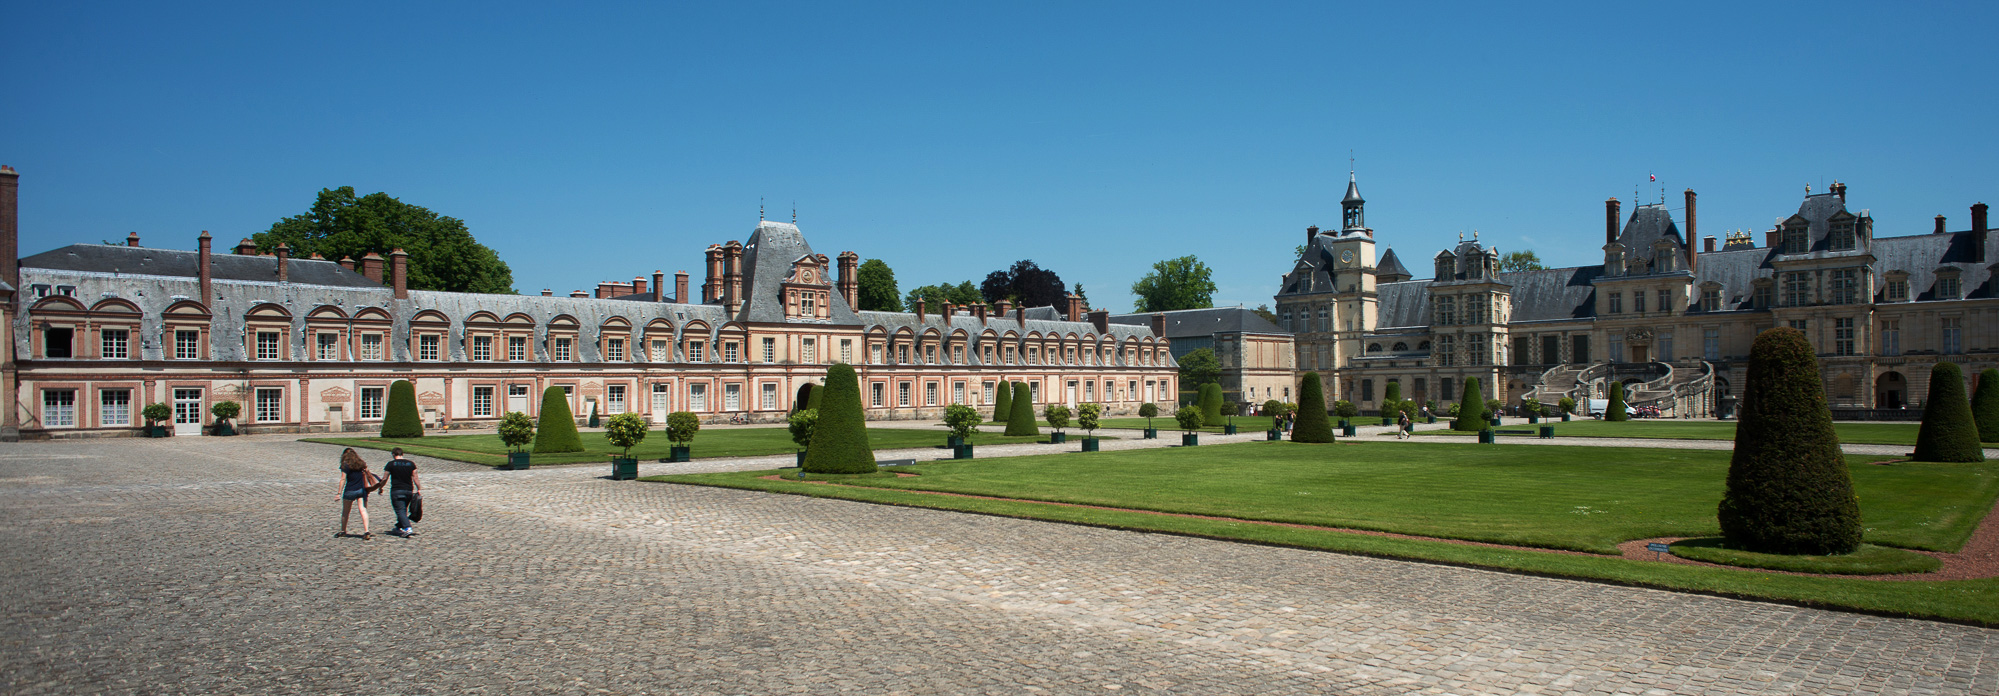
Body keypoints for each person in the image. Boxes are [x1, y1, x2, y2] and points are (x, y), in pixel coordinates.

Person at [338, 448, 383, 540]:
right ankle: (366, 530)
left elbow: (343, 479)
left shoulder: (345, 465)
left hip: (350, 490)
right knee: (363, 510)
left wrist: (338, 493)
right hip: (361, 490)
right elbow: (368, 474)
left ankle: (343, 530)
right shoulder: (361, 464)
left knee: (346, 512)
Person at [382, 447, 422, 537]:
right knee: (403, 510)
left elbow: (385, 478)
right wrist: (419, 488)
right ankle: (398, 527)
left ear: (393, 454)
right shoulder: (411, 464)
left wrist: (381, 487)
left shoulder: (390, 464)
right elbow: (415, 477)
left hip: (396, 490)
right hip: (408, 490)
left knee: (400, 510)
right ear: (402, 454)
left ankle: (407, 528)